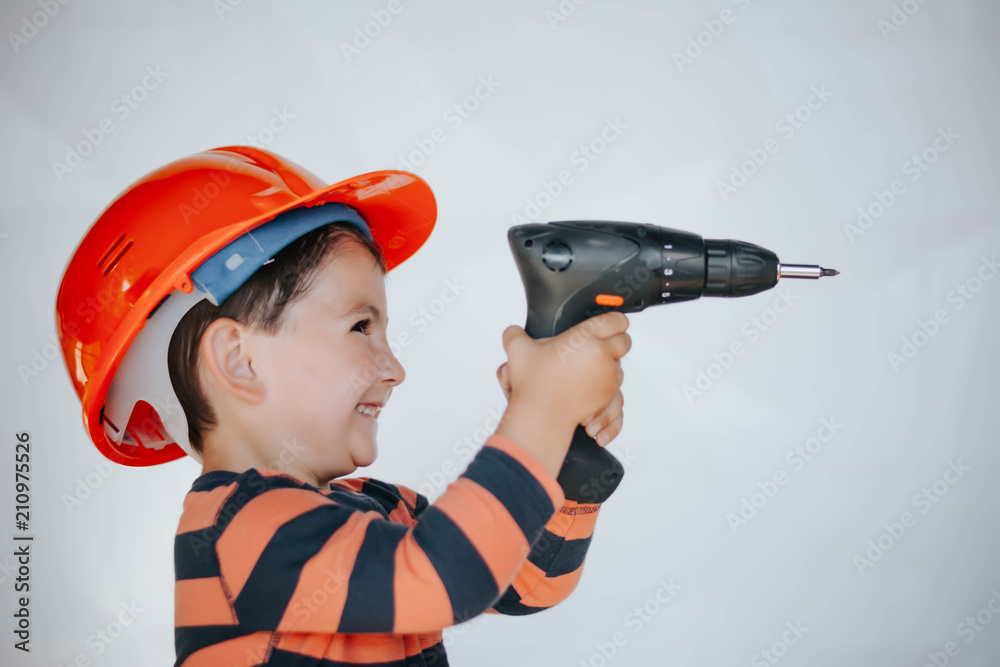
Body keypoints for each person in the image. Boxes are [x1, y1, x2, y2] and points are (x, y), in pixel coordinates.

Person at [55, 146, 631, 666]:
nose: (395, 368)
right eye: (361, 326)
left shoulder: (371, 510)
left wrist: (565, 458)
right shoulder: (239, 530)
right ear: (239, 360)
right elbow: (451, 575)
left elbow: (524, 582)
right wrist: (541, 409)